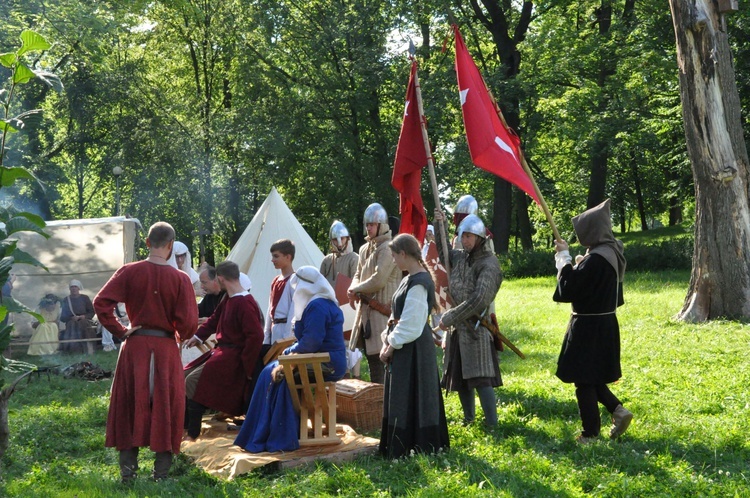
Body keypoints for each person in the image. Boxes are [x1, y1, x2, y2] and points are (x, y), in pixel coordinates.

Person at [93, 221, 198, 483]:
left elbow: (101, 302)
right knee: (166, 405)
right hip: (164, 350)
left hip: (135, 347)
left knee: (130, 404)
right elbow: (188, 325)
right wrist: (178, 332)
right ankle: (160, 475)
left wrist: (120, 330)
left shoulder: (129, 271)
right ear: (171, 246)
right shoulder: (181, 278)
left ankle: (128, 475)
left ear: (148, 243)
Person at [234, 266, 347, 453]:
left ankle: (277, 433)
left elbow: (311, 342)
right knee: (269, 372)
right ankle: (269, 431)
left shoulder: (318, 305)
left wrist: (287, 353)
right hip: (316, 360)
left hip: (327, 363)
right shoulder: (317, 303)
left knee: (274, 374)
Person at [553, 199, 632, 444]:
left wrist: (564, 259)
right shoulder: (611, 252)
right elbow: (601, 289)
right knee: (591, 376)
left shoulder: (596, 259)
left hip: (588, 327)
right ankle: (619, 411)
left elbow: (568, 290)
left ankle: (590, 433)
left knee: (583, 380)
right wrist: (580, 266)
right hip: (605, 323)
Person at [379, 234, 449, 459]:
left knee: (415, 396)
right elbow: (396, 315)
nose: (393, 260)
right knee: (403, 396)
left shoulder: (419, 282)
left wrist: (391, 345)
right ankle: (402, 445)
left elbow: (412, 323)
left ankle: (416, 446)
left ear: (403, 254)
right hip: (404, 346)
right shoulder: (408, 278)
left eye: (393, 255)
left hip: (414, 348)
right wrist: (386, 338)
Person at [182, 261, 264, 441]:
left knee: (192, 381)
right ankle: (184, 427)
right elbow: (213, 319)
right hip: (221, 353)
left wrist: (247, 366)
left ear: (220, 279)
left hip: (233, 359)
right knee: (184, 374)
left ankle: (192, 433)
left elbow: (256, 336)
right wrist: (197, 337)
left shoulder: (245, 303)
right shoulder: (228, 298)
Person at [435, 210, 502, 427]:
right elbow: (442, 250)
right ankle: (468, 420)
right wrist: (439, 225)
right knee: (462, 378)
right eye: (462, 236)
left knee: (481, 378)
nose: (464, 241)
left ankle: (492, 424)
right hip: (459, 329)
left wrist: (452, 315)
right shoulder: (459, 256)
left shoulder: (489, 264)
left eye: (469, 236)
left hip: (477, 327)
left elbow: (480, 298)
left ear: (480, 238)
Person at [347, 203, 401, 384]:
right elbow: (357, 273)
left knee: (386, 363)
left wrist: (356, 289)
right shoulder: (364, 249)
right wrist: (352, 288)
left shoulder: (388, 248)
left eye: (372, 224)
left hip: (383, 314)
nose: (368, 228)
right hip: (367, 314)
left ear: (382, 226)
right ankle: (379, 407)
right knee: (373, 365)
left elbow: (379, 279)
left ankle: (388, 408)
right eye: (367, 224)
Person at [264, 239, 295, 346]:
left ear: (288, 257)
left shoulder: (295, 280)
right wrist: (266, 337)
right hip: (275, 330)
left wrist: (287, 338)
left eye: (276, 256)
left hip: (286, 329)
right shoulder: (275, 281)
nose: (272, 260)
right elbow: (270, 310)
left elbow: (293, 312)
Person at [59, 279, 96, 354]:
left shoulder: (85, 298)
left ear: (79, 288)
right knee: (72, 325)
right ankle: (74, 350)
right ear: (70, 289)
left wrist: (84, 316)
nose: (74, 288)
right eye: (72, 287)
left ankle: (89, 349)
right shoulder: (66, 300)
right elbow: (62, 317)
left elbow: (92, 312)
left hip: (84, 320)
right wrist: (71, 318)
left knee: (83, 324)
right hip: (71, 321)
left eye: (75, 286)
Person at [319, 220, 359, 286]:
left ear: (347, 238)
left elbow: (355, 284)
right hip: (328, 296)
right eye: (335, 240)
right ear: (331, 240)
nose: (339, 244)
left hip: (346, 295)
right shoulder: (327, 260)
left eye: (342, 238)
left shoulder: (354, 258)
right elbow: (320, 283)